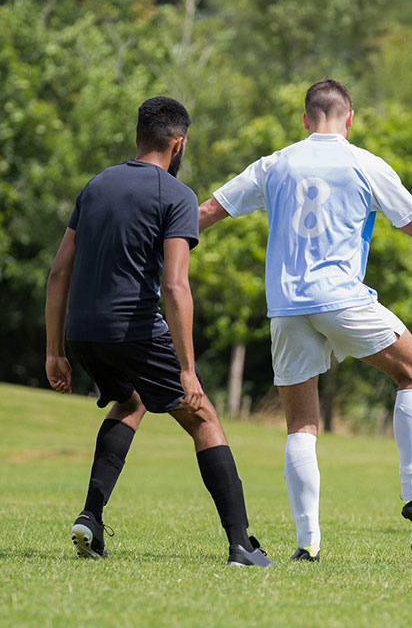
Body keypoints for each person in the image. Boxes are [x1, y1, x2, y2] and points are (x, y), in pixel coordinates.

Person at [197, 78, 412, 562]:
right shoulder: (364, 164)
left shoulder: (275, 163)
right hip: (341, 299)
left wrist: (158, 234)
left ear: (306, 120)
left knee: (301, 425)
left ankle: (308, 545)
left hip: (286, 306)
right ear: (349, 119)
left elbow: (206, 210)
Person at [44, 96, 274, 567]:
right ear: (179, 143)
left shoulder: (95, 186)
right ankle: (240, 544)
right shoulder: (177, 195)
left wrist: (54, 351)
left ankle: (91, 516)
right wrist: (188, 370)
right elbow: (174, 285)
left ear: (137, 137)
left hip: (82, 332)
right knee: (204, 417)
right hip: (135, 330)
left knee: (131, 401)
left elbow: (58, 274)